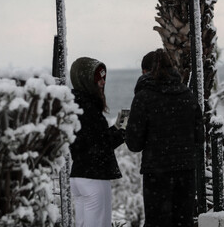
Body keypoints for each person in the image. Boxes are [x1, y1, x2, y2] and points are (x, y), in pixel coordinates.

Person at [125, 49, 202, 227]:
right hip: (186, 172)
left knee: (157, 222)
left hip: (157, 174)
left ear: (145, 72)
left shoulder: (143, 97)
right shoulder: (187, 96)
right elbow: (199, 137)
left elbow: (134, 143)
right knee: (184, 221)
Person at [68, 57, 125, 227]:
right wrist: (123, 131)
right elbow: (100, 145)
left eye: (104, 77)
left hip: (78, 175)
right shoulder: (88, 107)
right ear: (86, 79)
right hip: (94, 176)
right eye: (98, 78)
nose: (102, 82)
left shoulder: (73, 104)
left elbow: (89, 140)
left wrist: (115, 129)